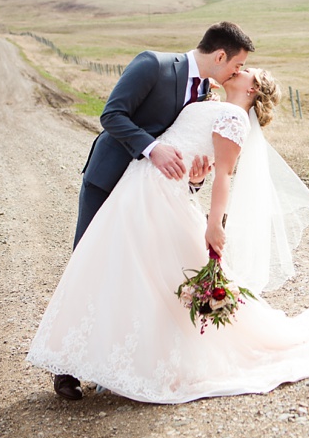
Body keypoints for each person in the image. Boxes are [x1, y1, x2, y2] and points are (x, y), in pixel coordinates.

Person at [27, 69, 309, 403]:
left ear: (252, 90)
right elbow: (192, 154)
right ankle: (81, 362)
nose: (238, 71)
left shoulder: (235, 118)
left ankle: (124, 361)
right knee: (117, 268)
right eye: (238, 64)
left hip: (160, 197)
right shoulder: (206, 98)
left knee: (147, 279)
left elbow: (222, 175)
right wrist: (194, 179)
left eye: (245, 71)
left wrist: (214, 221)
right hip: (138, 188)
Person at [52, 22, 254, 400]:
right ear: (220, 55)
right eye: (236, 64)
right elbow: (112, 115)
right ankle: (65, 367)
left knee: (136, 275)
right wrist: (151, 148)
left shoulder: (209, 94)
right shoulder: (154, 65)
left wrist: (195, 181)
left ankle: (113, 362)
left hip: (153, 196)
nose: (236, 73)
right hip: (110, 178)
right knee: (89, 262)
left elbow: (191, 148)